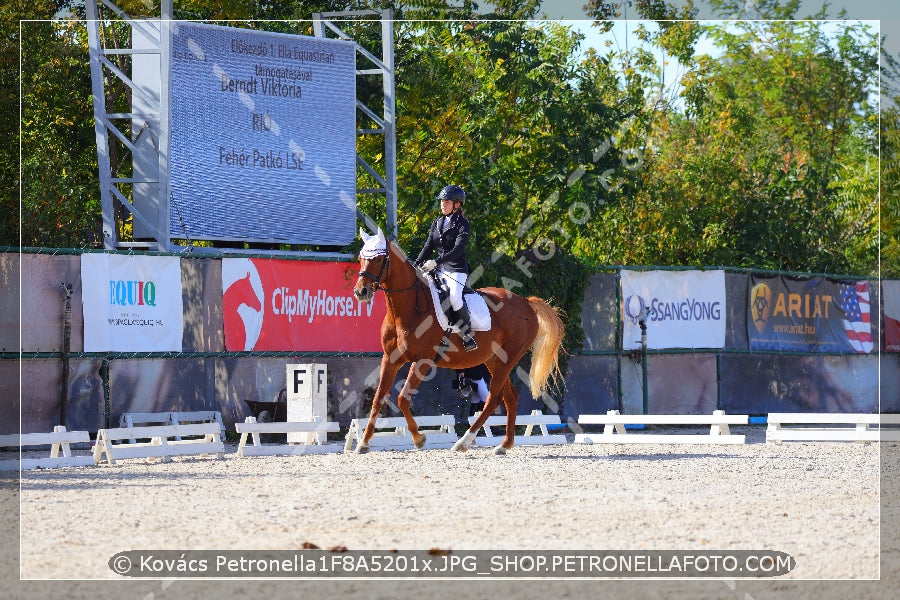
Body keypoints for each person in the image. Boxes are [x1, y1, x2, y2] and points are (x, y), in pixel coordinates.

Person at [414, 184, 478, 351]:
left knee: (455, 297)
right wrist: (415, 265)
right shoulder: (437, 222)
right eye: (442, 201)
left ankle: (467, 334)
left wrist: (436, 262)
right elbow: (428, 246)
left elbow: (458, 250)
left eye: (447, 202)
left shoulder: (463, 224)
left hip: (456, 269)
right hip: (438, 268)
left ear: (457, 205)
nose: (443, 204)